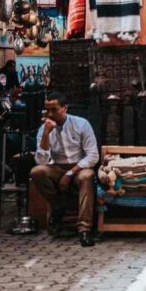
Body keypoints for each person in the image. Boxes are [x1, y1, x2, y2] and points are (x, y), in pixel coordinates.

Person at [29, 91, 100, 247]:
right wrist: (46, 133)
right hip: (56, 167)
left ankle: (84, 229)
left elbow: (93, 156)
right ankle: (58, 206)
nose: (50, 114)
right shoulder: (44, 129)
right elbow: (41, 161)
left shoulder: (81, 124)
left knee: (86, 177)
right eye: (47, 110)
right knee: (36, 172)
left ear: (64, 108)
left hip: (79, 167)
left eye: (54, 109)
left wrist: (70, 173)